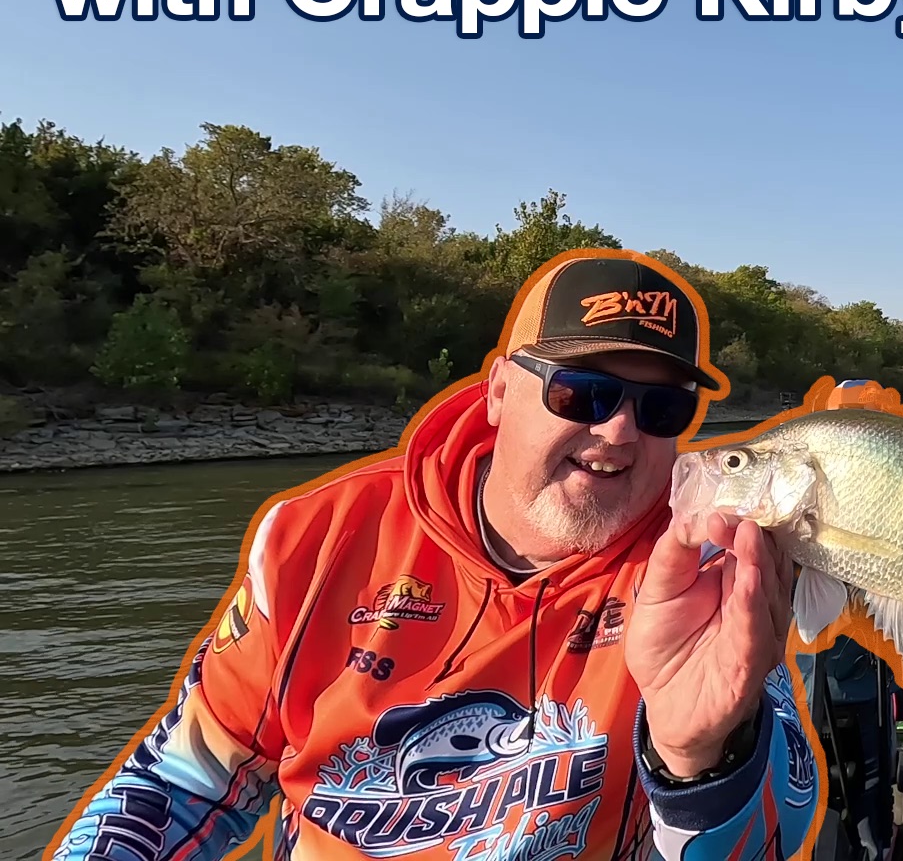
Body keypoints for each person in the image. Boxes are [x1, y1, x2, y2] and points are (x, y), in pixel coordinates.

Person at [45, 250, 818, 861]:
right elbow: (187, 780)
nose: (619, 431)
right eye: (582, 392)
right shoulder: (316, 537)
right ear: (498, 392)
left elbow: (774, 837)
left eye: (662, 407)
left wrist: (698, 758)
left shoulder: (709, 567)